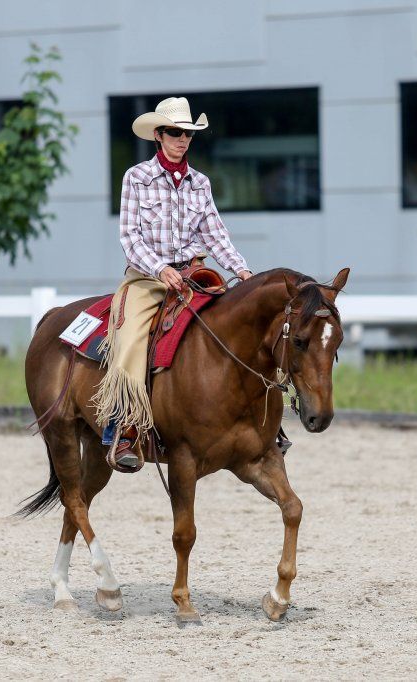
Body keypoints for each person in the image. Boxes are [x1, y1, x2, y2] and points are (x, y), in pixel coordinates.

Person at [92, 96, 252, 472]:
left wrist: (242, 271)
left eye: (188, 134)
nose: (183, 140)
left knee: (240, 326)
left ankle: (252, 417)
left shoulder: (200, 183)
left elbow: (216, 236)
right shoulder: (136, 178)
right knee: (130, 334)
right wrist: (160, 269)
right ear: (159, 135)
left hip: (195, 276)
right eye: (176, 133)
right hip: (147, 278)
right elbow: (130, 237)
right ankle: (126, 427)